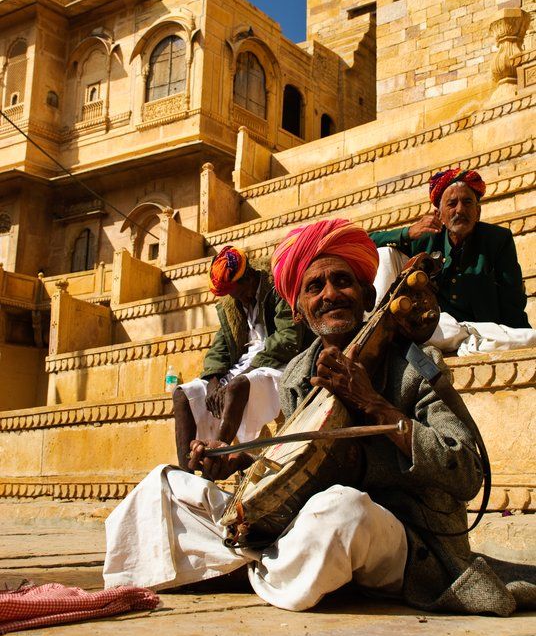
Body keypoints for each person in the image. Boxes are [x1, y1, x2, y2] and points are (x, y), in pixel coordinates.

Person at [103, 218, 536, 615]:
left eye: (342, 281)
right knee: (164, 485)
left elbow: (467, 472)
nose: (329, 294)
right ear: (297, 310)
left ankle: (246, 568)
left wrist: (373, 403)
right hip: (304, 527)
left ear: (367, 295)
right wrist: (241, 460)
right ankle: (283, 568)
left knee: (340, 510)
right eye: (314, 287)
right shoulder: (296, 375)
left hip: (403, 539)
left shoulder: (416, 364)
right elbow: (302, 463)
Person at [370, 168, 536, 354]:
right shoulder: (425, 238)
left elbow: (511, 298)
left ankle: (467, 340)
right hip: (436, 327)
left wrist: (520, 340)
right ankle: (378, 327)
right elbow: (366, 242)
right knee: (386, 253)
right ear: (439, 214)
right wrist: (407, 233)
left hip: (483, 330)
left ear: (478, 211)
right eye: (452, 203)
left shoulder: (497, 240)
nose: (460, 210)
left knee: (530, 339)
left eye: (467, 202)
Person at [172, 245, 310, 468]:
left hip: (279, 364)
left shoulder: (277, 287)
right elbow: (219, 349)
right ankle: (186, 472)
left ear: (249, 277)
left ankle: (217, 460)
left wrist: (242, 374)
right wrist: (214, 382)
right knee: (182, 395)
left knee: (236, 385)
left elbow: (289, 338)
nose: (242, 300)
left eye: (241, 293)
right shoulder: (232, 304)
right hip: (241, 369)